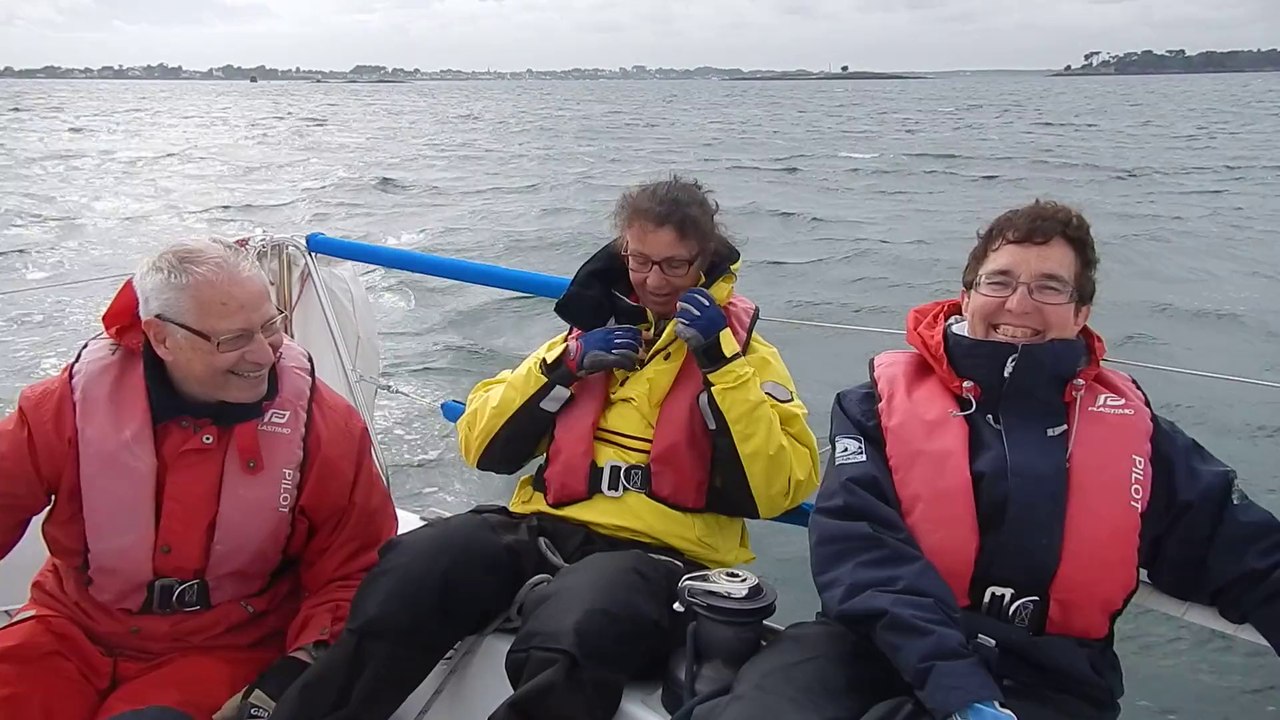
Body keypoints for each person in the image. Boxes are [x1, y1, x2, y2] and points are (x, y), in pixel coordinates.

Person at [689, 200, 1280, 720]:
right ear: (966, 295)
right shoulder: (874, 408)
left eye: (1050, 286)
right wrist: (957, 688)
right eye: (999, 282)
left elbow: (1245, 552)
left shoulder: (1139, 437)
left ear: (1081, 312)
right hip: (871, 646)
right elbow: (860, 556)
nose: (1019, 304)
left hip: (1048, 676)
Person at [270, 175, 822, 720]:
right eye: (640, 261)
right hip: (544, 525)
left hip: (659, 554)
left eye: (674, 265)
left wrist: (721, 365)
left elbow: (782, 486)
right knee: (414, 570)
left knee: (578, 626)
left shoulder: (747, 357)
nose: (654, 281)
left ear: (703, 262)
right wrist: (561, 370)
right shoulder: (585, 336)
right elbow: (480, 443)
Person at [0, 238, 399, 720]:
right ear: (162, 338)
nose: (263, 355)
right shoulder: (62, 409)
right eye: (233, 340)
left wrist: (296, 669)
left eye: (270, 327)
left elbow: (354, 568)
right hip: (68, 630)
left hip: (226, 646)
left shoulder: (324, 427)